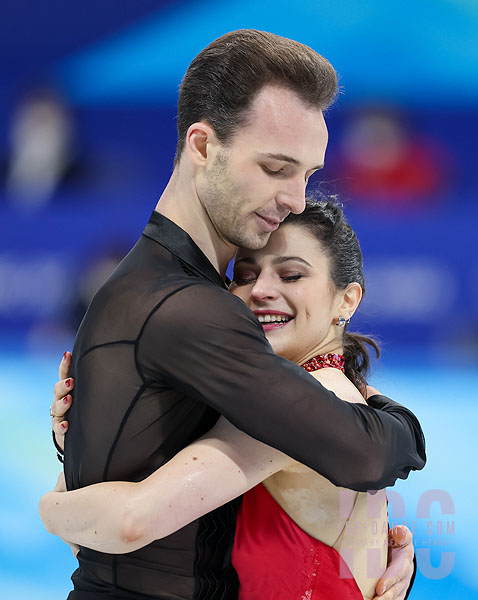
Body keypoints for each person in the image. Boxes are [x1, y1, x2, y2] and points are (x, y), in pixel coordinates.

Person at [43, 30, 425, 600]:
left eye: (307, 175)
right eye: (276, 168)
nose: (296, 198)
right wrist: (401, 425)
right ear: (202, 146)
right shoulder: (190, 309)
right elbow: (363, 451)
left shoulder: (158, 285)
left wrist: (63, 481)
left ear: (349, 297)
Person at [42, 199, 417, 600]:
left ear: (347, 299)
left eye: (291, 275)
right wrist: (81, 438)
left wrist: (50, 510)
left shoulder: (300, 405)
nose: (261, 290)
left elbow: (127, 524)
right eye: (245, 274)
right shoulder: (314, 397)